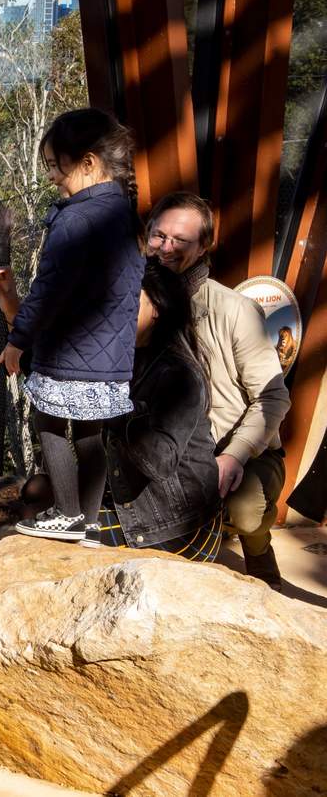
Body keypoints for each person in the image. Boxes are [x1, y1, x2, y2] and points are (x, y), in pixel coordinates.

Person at [0, 108, 146, 545]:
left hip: (71, 352)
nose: (53, 177)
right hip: (111, 360)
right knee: (91, 433)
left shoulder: (75, 219)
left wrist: (18, 340)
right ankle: (88, 522)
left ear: (89, 163)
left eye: (57, 166)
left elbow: (48, 290)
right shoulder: (127, 217)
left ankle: (67, 514)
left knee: (50, 422)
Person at [145, 191, 292, 588]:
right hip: (163, 445)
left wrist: (234, 455)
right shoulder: (134, 301)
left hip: (233, 450)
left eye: (180, 240)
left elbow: (274, 397)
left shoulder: (234, 309)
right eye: (159, 236)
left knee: (246, 508)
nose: (165, 248)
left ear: (204, 246)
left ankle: (257, 548)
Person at [94, 259, 222, 557]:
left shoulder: (179, 374)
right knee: (40, 508)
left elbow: (160, 462)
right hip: (145, 513)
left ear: (158, 308)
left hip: (181, 528)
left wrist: (113, 404)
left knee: (65, 542)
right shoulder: (127, 358)